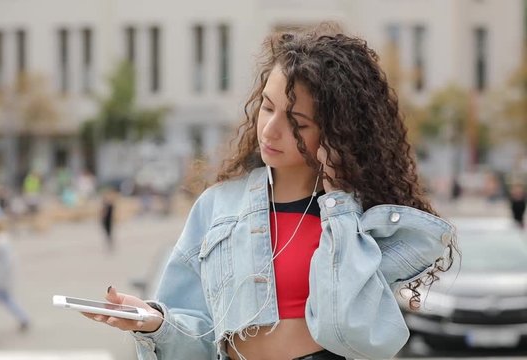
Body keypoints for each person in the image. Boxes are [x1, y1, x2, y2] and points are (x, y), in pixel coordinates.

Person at [81, 25, 458, 360]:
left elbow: (356, 333)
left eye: (296, 122)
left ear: (336, 132)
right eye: (267, 106)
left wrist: (339, 205)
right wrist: (154, 322)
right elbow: (200, 339)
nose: (270, 130)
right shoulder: (218, 206)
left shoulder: (363, 219)